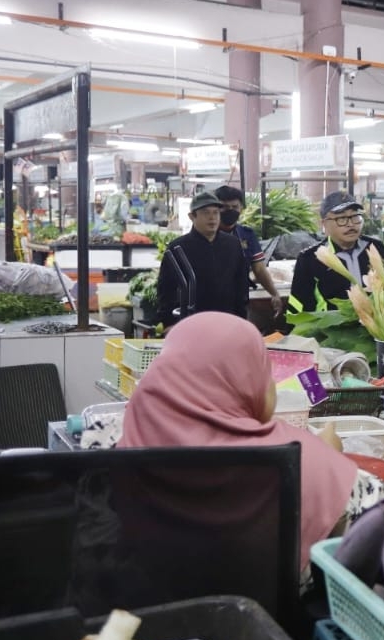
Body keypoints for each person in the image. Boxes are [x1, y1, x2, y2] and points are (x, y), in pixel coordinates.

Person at [118, 312, 364, 571]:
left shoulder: (125, 444)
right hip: (262, 611)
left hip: (146, 608)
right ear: (243, 383)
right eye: (264, 371)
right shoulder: (301, 461)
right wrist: (328, 455)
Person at [156, 192, 249, 327]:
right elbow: (166, 289)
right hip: (191, 322)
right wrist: (168, 322)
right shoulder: (178, 247)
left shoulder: (232, 244)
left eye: (216, 213)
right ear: (192, 216)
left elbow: (241, 283)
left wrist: (241, 318)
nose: (212, 218)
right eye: (206, 213)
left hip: (227, 320)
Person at [289, 190, 384, 314]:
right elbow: (298, 307)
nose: (351, 224)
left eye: (355, 216)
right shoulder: (310, 259)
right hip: (332, 330)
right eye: (342, 218)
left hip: (377, 327)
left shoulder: (375, 248)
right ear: (324, 223)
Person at [215, 185, 284, 317]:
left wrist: (274, 293)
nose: (230, 211)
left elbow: (259, 269)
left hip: (239, 301)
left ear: (241, 208)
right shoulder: (208, 235)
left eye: (234, 207)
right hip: (211, 304)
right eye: (224, 207)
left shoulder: (246, 234)